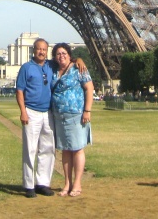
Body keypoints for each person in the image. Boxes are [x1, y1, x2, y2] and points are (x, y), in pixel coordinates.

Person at [15, 37, 86, 198]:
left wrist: (78, 58)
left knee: (48, 149)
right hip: (31, 111)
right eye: (39, 49)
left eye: (44, 49)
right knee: (30, 149)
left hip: (48, 112)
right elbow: (19, 91)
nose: (41, 52)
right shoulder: (26, 68)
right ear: (33, 50)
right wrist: (23, 111)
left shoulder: (50, 65)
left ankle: (43, 183)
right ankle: (29, 185)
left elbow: (65, 60)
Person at [50, 42, 94, 198]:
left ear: (69, 55)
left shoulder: (78, 68)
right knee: (65, 150)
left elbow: (89, 88)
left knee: (77, 148)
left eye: (64, 53)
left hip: (75, 114)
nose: (61, 56)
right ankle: (67, 183)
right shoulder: (54, 69)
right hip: (58, 115)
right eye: (58, 54)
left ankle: (77, 184)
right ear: (54, 57)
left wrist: (87, 110)